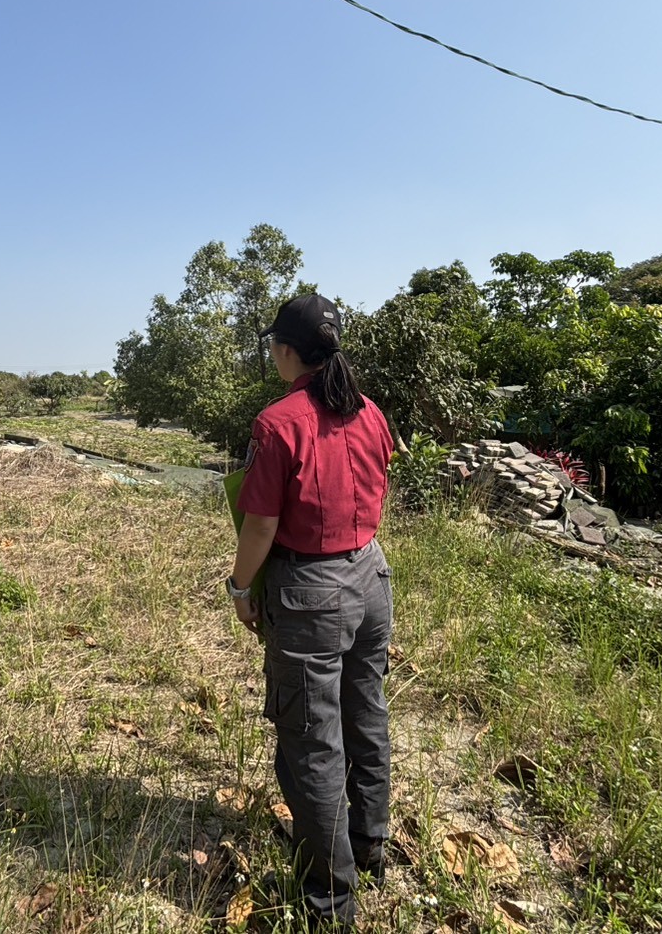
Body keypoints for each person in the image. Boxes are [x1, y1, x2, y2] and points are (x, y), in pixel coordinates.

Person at [225, 294, 395, 929]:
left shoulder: (278, 423)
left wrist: (243, 590)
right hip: (371, 576)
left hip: (311, 592)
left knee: (311, 743)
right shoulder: (370, 411)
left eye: (273, 344)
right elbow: (381, 472)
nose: (272, 353)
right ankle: (370, 848)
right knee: (366, 713)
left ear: (287, 351)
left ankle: (329, 897)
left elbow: (260, 526)